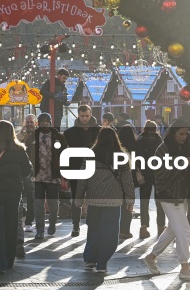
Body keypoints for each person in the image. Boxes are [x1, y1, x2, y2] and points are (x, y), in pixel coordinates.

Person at [143, 118, 190, 281]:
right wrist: (185, 163)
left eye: (186, 133)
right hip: (169, 195)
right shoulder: (163, 149)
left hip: (181, 194)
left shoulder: (183, 147)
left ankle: (151, 257)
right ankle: (185, 267)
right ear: (173, 133)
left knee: (172, 230)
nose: (184, 136)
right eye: (181, 133)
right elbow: (161, 174)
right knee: (183, 229)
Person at [75, 128, 135, 273]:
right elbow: (127, 181)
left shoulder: (90, 155)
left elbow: (83, 179)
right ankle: (102, 263)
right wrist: (130, 200)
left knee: (93, 230)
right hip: (113, 201)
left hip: (94, 199)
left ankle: (90, 259)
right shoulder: (122, 157)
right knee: (110, 232)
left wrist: (79, 199)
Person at [0, 120, 32, 273]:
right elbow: (27, 171)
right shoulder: (20, 150)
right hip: (14, 193)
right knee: (11, 226)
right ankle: (9, 260)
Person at [24, 113, 68, 239]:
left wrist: (63, 172)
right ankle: (40, 229)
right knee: (38, 204)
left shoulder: (59, 137)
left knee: (53, 203)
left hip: (53, 175)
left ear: (51, 122)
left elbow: (66, 154)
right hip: (37, 176)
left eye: (47, 121)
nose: (44, 123)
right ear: (38, 122)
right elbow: (25, 153)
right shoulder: (32, 136)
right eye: (42, 121)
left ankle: (53, 222)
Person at [62, 105, 101, 237]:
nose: (84, 118)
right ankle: (76, 226)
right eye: (82, 116)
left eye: (87, 116)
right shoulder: (69, 133)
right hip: (75, 169)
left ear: (91, 115)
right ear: (78, 115)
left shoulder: (99, 131)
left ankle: (93, 226)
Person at [135, 120, 165, 238]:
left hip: (144, 173)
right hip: (157, 173)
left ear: (145, 128)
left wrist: (138, 171)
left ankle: (144, 227)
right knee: (159, 201)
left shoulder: (140, 140)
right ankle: (161, 227)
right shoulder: (159, 140)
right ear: (155, 129)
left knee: (144, 201)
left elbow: (137, 157)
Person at [117, 125, 138, 239]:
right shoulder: (135, 145)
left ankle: (116, 229)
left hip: (117, 178)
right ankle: (125, 230)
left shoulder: (117, 147)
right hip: (131, 177)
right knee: (128, 204)